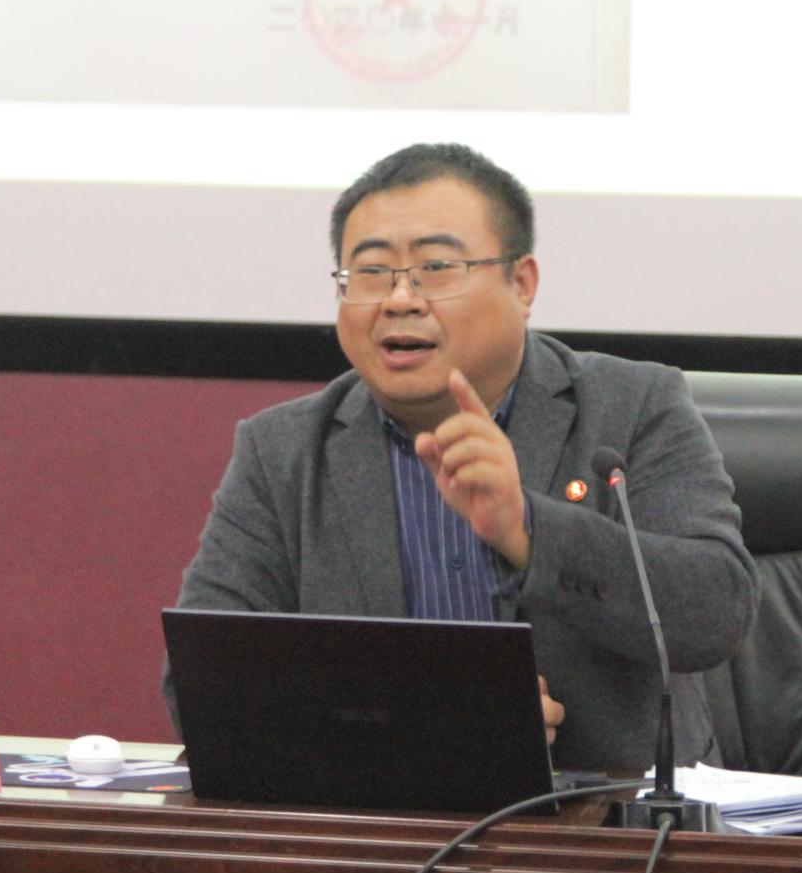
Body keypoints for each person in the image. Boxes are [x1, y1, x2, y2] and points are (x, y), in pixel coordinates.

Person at [167, 143, 759, 771]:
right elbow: (205, 682)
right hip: (388, 818)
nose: (400, 299)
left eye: (436, 267)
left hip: (613, 817)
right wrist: (434, 718)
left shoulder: (632, 407)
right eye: (371, 272)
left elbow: (715, 612)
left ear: (521, 285)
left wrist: (528, 531)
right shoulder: (283, 452)